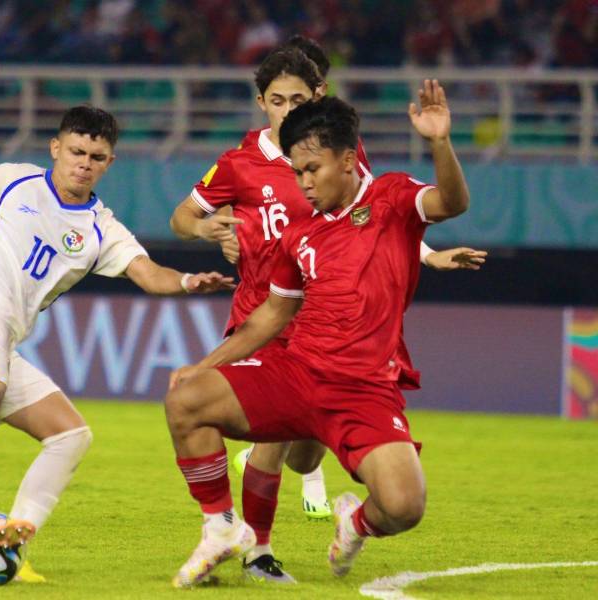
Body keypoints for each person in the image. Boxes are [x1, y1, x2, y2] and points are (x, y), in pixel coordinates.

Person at [0, 106, 234, 583]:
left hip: (3, 338)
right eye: (76, 150)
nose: (84, 162)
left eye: (97, 156)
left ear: (109, 163)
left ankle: (11, 540)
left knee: (71, 435)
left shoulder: (101, 228)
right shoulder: (13, 180)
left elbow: (150, 274)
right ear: (56, 148)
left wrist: (190, 280)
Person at [169, 43, 485, 584]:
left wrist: (440, 144)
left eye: (312, 169)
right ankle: (234, 535)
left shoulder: (390, 198)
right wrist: (203, 366)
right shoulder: (298, 231)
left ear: (346, 159)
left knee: (402, 506)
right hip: (296, 371)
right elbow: (272, 314)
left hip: (362, 388)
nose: (304, 183)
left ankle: (355, 522)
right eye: (297, 172)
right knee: (185, 398)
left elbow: (451, 204)